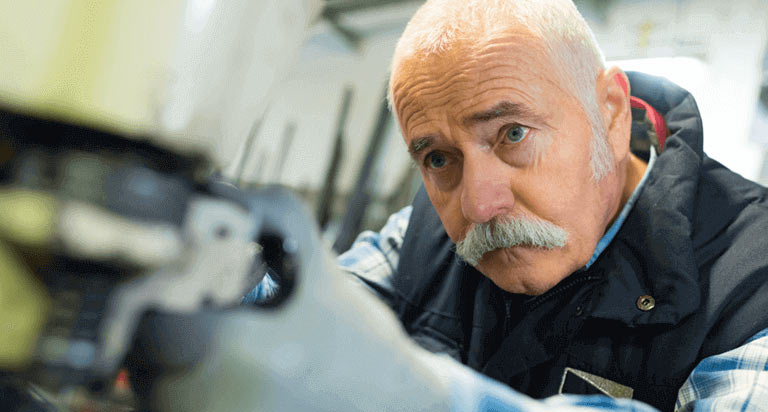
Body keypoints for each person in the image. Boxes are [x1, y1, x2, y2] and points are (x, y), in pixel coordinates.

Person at [247, 0, 768, 410]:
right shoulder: (422, 234)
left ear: (609, 114)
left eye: (512, 134)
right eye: (438, 158)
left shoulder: (751, 281)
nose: (479, 204)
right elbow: (304, 302)